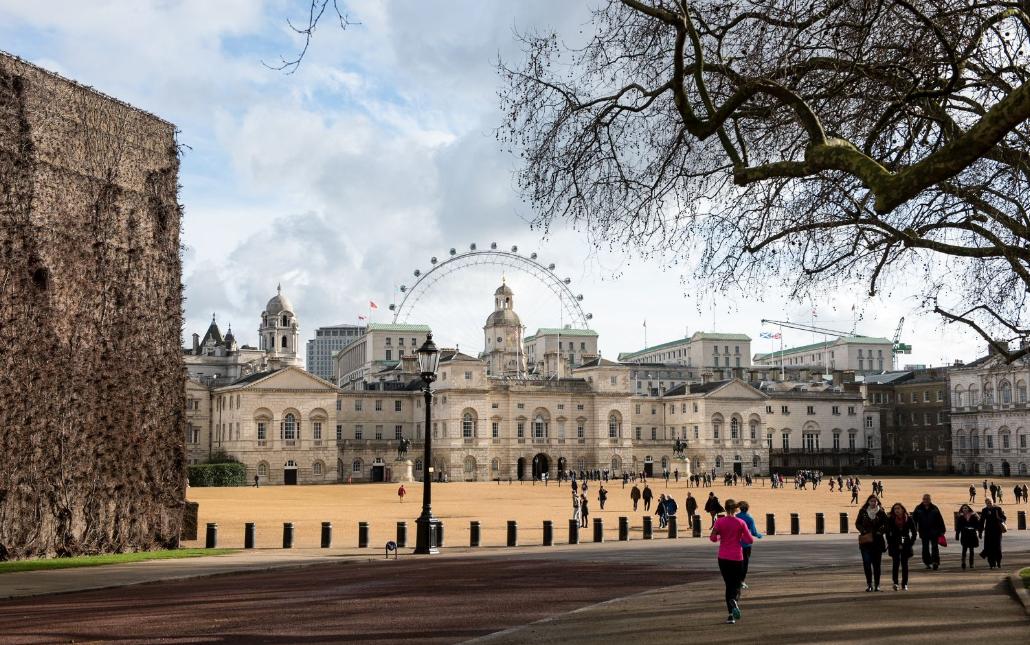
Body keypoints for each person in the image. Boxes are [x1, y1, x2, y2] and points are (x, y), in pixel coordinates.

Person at [709, 499, 753, 624]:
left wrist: (720, 537)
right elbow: (749, 540)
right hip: (737, 557)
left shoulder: (719, 522)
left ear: (725, 508)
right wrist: (741, 538)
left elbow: (712, 538)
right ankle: (734, 601)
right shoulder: (741, 522)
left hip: (723, 557)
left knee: (728, 585)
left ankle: (730, 615)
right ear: (735, 509)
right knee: (737, 584)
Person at [855, 494, 889, 592]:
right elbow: (857, 523)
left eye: (875, 501)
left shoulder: (881, 512)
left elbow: (886, 525)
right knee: (866, 563)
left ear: (878, 502)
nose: (873, 503)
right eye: (871, 501)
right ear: (868, 502)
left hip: (877, 542)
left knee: (876, 565)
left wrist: (880, 531)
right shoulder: (863, 512)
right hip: (865, 541)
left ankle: (877, 585)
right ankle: (869, 584)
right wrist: (863, 530)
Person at [885, 502, 916, 591]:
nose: (897, 510)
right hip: (894, 543)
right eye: (895, 509)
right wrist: (890, 542)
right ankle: (895, 583)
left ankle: (904, 584)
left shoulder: (909, 518)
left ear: (902, 509)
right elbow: (887, 532)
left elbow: (914, 532)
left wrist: (911, 543)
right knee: (895, 564)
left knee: (904, 564)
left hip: (906, 542)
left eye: (898, 508)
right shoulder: (891, 519)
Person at [911, 494, 946, 570]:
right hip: (923, 531)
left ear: (930, 500)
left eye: (927, 499)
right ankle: (927, 562)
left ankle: (935, 562)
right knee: (925, 548)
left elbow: (940, 519)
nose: (926, 500)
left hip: (934, 531)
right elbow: (914, 519)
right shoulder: (918, 508)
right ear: (922, 499)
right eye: (924, 499)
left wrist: (942, 530)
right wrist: (914, 529)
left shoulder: (935, 508)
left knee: (935, 547)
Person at [735, 500, 763, 590]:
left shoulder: (736, 517)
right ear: (747, 509)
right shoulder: (749, 518)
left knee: (737, 562)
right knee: (745, 563)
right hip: (746, 544)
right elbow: (754, 532)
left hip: (737, 543)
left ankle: (736, 580)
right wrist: (759, 535)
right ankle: (742, 581)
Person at [979, 498, 1007, 569]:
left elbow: (1004, 518)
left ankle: (998, 562)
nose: (989, 504)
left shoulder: (998, 509)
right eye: (988, 503)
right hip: (988, 531)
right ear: (986, 503)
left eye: (990, 502)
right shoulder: (984, 510)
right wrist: (980, 532)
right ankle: (991, 563)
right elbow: (982, 521)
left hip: (997, 531)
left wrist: (999, 518)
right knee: (989, 547)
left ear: (993, 502)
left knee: (997, 547)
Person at [955, 503, 980, 570]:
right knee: (964, 549)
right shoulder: (960, 517)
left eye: (966, 508)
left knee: (971, 550)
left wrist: (975, 529)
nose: (965, 509)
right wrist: (957, 535)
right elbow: (958, 527)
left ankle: (971, 563)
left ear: (968, 508)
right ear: (962, 510)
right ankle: (963, 562)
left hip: (972, 535)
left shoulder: (973, 516)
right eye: (963, 508)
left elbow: (977, 525)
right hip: (964, 535)